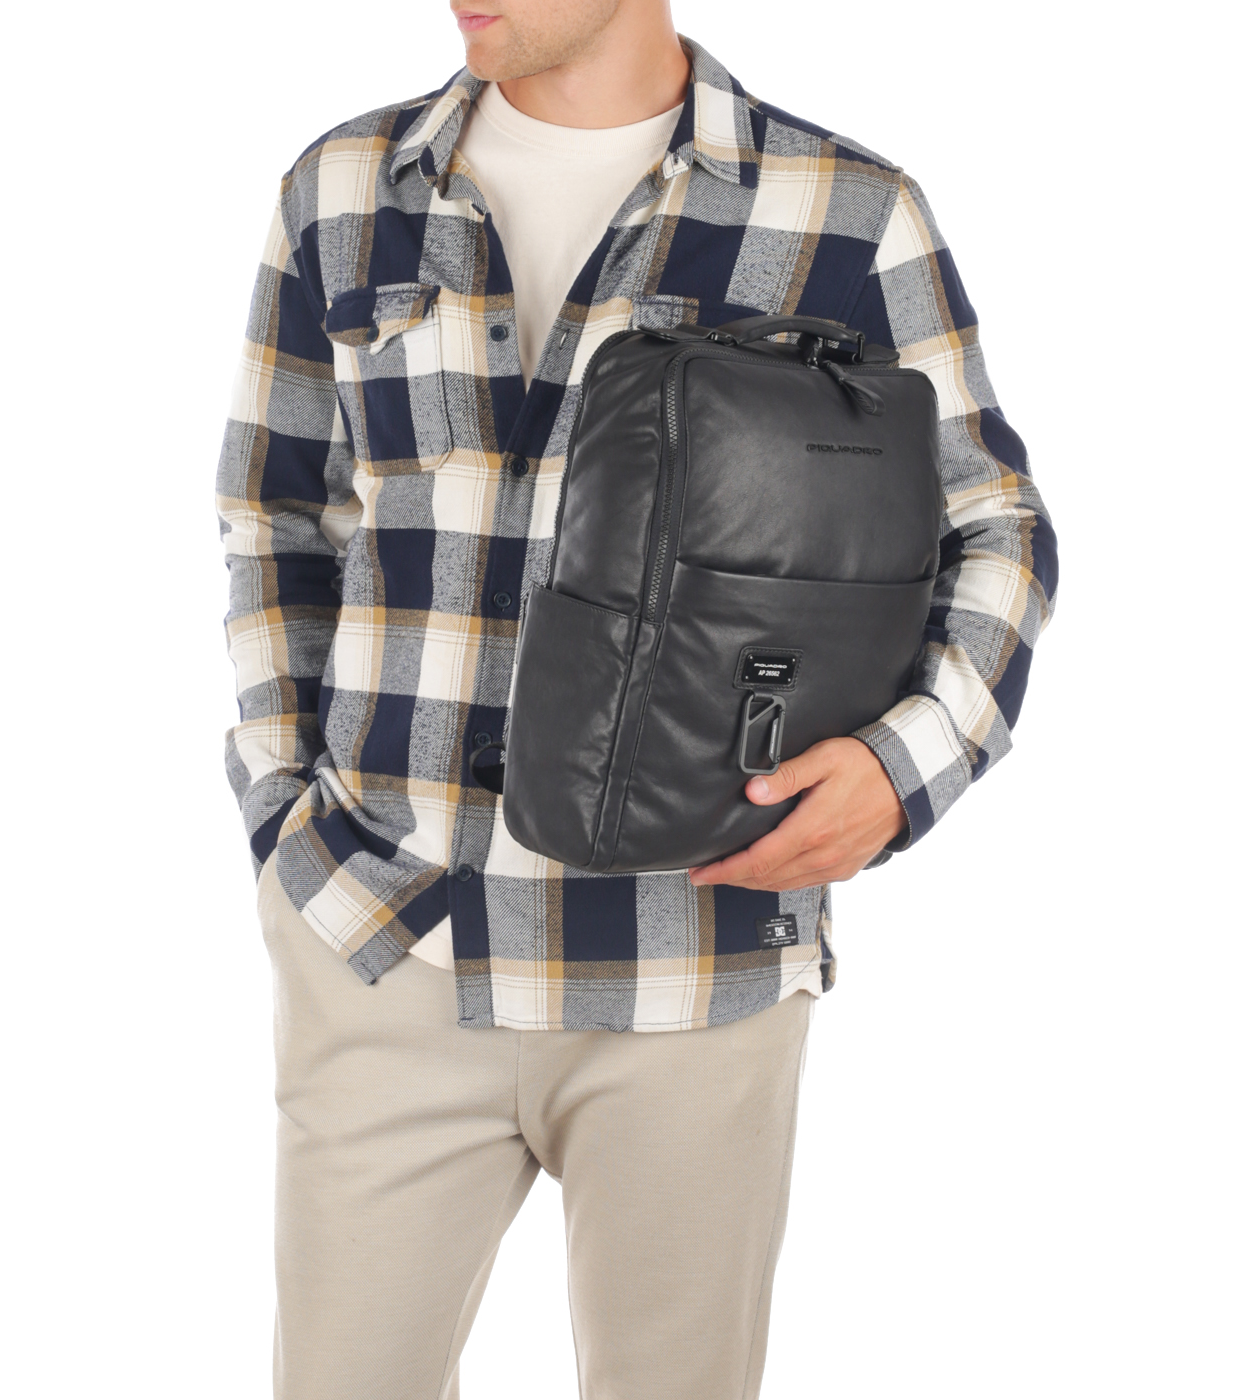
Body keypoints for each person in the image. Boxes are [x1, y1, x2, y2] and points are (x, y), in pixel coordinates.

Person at [214, 2, 1058, 1395]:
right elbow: (277, 521)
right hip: (383, 938)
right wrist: (284, 820)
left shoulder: (849, 214)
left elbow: (995, 527)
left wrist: (904, 769)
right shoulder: (342, 190)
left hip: (695, 962)